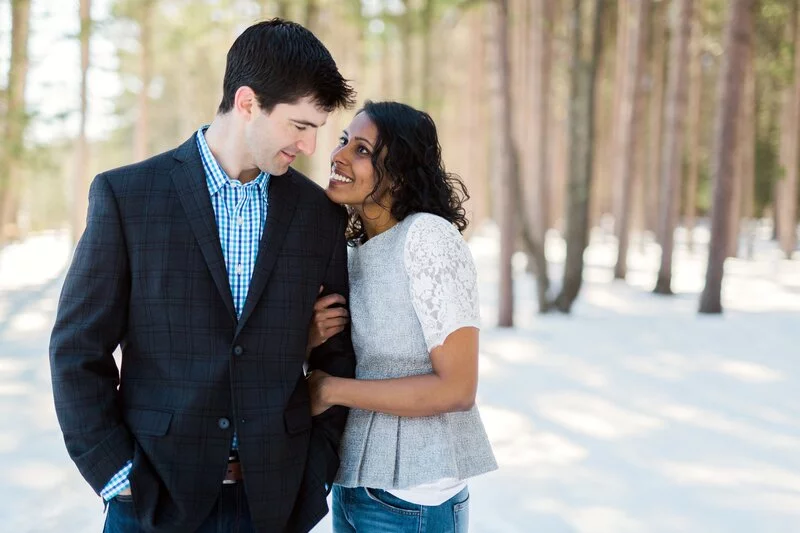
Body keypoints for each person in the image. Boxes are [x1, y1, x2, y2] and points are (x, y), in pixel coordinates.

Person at [49, 19, 356, 533]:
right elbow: (77, 351)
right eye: (299, 126)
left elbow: (337, 355)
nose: (308, 147)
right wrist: (118, 475)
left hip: (273, 505)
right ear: (247, 103)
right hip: (151, 501)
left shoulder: (318, 215)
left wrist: (315, 474)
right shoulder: (126, 198)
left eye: (316, 131)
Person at [307, 101, 497, 533]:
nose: (338, 156)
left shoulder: (428, 237)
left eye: (361, 150)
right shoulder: (354, 252)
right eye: (342, 142)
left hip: (415, 495)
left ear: (401, 173)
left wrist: (330, 390)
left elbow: (458, 387)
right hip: (357, 481)